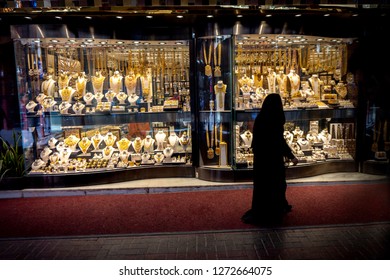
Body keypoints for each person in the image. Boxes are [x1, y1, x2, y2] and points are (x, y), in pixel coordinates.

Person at [242, 93, 298, 225]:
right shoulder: (276, 119)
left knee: (263, 187)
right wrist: (291, 156)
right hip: (273, 160)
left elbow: (256, 143)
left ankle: (264, 210)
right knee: (276, 184)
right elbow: (279, 141)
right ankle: (274, 211)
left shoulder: (261, 118)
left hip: (262, 160)